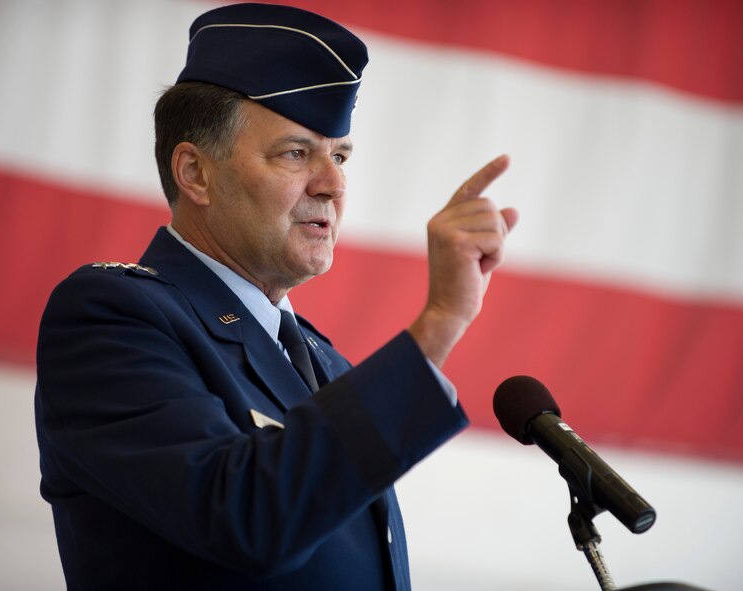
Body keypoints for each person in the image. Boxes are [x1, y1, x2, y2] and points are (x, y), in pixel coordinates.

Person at [34, 3, 519, 590]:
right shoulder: (110, 318)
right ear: (195, 173)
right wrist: (440, 321)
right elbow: (247, 519)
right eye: (295, 153)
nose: (333, 183)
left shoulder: (321, 360)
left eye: (339, 155)